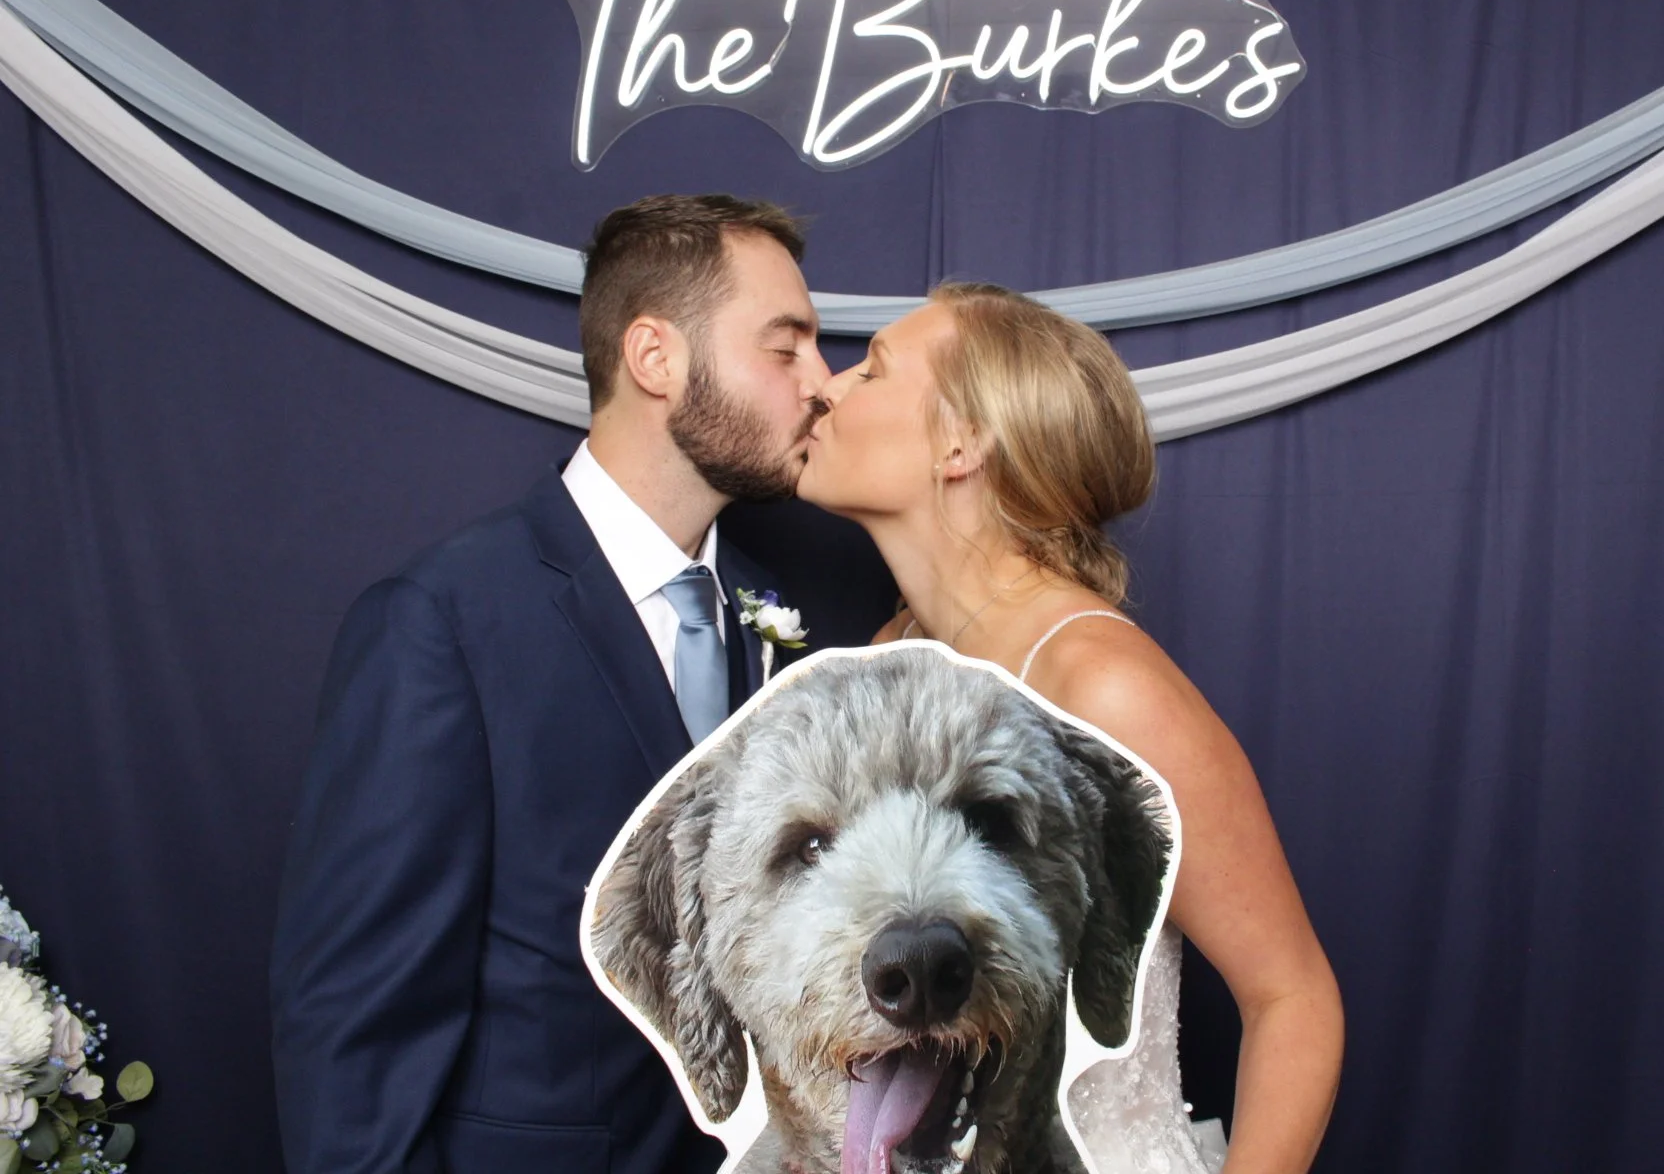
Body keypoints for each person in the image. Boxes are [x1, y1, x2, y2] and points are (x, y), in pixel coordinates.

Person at [269, 194, 830, 1174]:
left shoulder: (765, 616)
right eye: (786, 348)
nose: (822, 384)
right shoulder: (443, 623)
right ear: (654, 358)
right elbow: (354, 1039)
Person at [796, 282, 1343, 1174]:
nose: (827, 387)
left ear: (962, 442)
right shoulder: (889, 658)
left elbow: (1294, 999)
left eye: (873, 370)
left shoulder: (1102, 686)